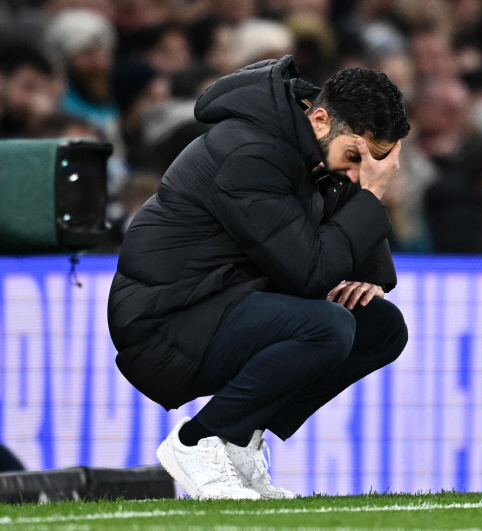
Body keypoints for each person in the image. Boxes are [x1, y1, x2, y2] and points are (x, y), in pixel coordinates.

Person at [107, 55, 410, 500]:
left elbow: (375, 272)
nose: (355, 175)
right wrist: (371, 193)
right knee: (328, 326)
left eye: (370, 166)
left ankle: (238, 436)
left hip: (222, 303)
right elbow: (309, 274)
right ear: (321, 119)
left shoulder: (316, 145)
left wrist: (363, 197)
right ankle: (197, 441)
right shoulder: (250, 152)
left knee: (381, 327)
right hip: (165, 323)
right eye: (355, 159)